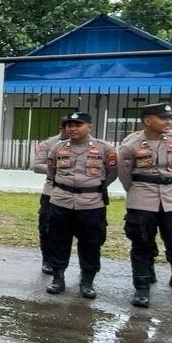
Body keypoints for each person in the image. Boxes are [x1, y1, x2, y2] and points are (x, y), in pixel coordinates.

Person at [117, 102, 172, 315]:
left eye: (170, 118)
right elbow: (124, 174)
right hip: (141, 198)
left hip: (171, 197)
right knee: (141, 244)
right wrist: (140, 191)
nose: (169, 122)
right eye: (163, 118)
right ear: (148, 120)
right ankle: (142, 290)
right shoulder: (131, 144)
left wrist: (171, 189)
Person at [43, 111, 117, 299]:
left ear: (89, 126)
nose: (72, 129)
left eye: (78, 125)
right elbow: (52, 172)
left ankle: (87, 281)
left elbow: (113, 172)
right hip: (61, 201)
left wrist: (91, 187)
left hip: (91, 203)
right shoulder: (58, 148)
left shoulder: (104, 149)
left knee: (91, 243)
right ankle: (58, 278)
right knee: (58, 240)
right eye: (69, 125)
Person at [31, 117, 69, 275]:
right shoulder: (49, 144)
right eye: (68, 127)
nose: (72, 130)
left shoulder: (93, 146)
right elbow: (36, 165)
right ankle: (47, 260)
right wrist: (56, 170)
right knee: (47, 228)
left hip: (80, 195)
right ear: (62, 128)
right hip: (52, 191)